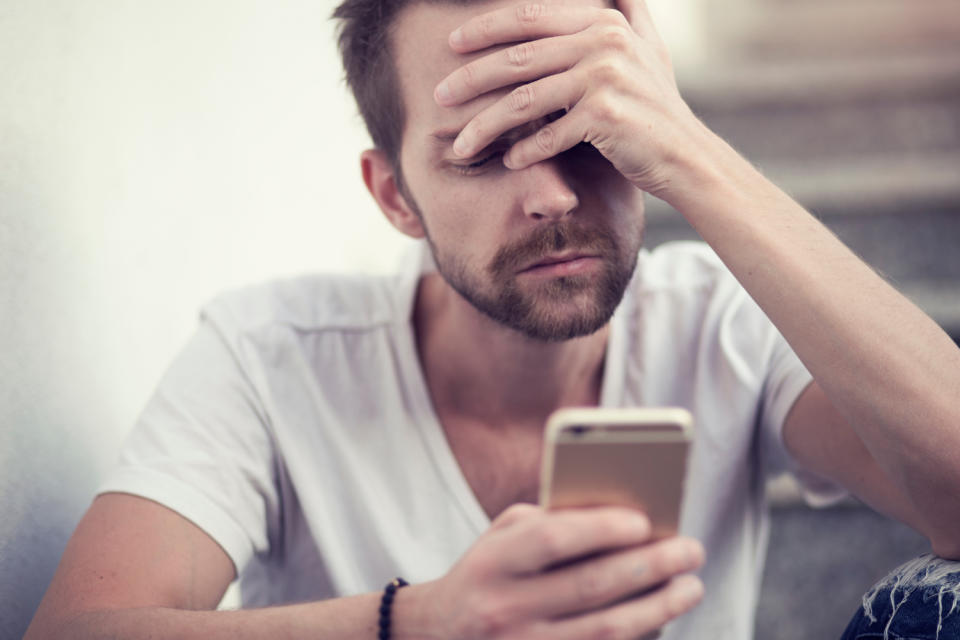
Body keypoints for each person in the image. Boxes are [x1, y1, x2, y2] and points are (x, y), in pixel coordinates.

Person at [25, 0, 960, 638]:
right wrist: (420, 622)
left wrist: (688, 151)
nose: (552, 194)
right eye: (483, 150)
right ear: (394, 196)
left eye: (581, 126)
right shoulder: (270, 356)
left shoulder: (718, 321)